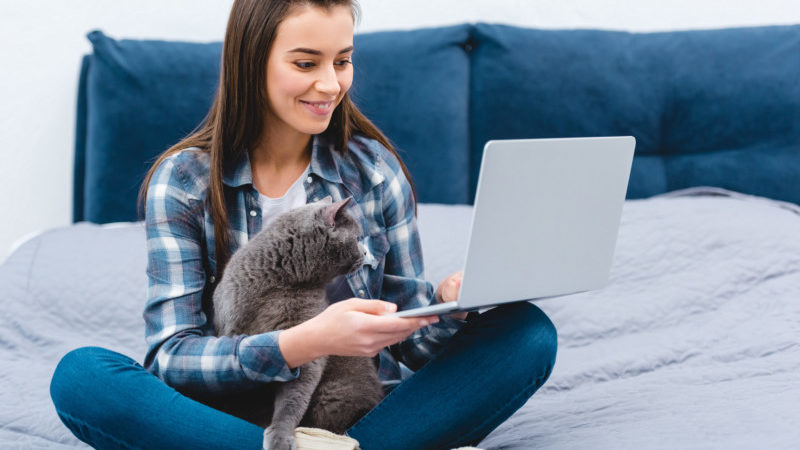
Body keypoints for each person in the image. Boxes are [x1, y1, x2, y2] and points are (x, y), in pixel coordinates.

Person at [49, 1, 557, 449]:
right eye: (306, 63)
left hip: (359, 410)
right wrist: (304, 343)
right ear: (252, 63)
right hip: (236, 418)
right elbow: (172, 359)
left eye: (343, 60)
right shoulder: (183, 182)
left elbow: (413, 350)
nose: (331, 84)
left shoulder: (373, 171)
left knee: (527, 333)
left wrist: (451, 310)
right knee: (83, 377)